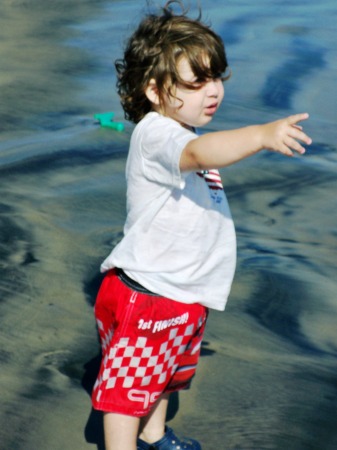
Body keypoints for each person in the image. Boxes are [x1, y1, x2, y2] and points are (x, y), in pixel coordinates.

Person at [91, 1, 312, 449]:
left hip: (181, 292)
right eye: (196, 82)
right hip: (151, 293)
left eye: (216, 78)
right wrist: (260, 136)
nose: (212, 91)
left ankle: (155, 436)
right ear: (154, 91)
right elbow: (199, 155)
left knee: (163, 374)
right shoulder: (156, 134)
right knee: (127, 392)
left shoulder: (180, 131)